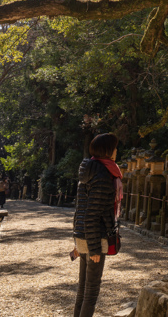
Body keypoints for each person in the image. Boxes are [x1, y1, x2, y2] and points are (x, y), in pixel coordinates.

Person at [71, 133, 123, 317]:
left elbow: (80, 210)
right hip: (94, 237)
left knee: (83, 290)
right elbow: (92, 215)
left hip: (82, 235)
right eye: (115, 148)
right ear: (108, 150)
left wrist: (78, 241)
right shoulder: (102, 175)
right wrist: (93, 249)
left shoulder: (88, 171)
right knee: (91, 292)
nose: (117, 151)